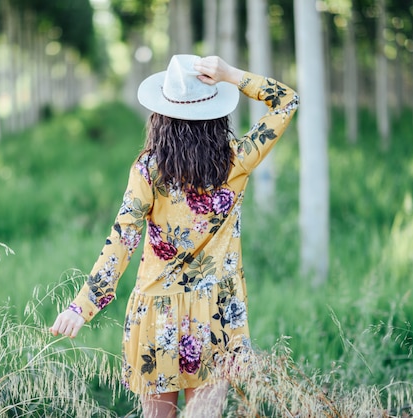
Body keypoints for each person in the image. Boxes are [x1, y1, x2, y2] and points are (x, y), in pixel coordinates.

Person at [50, 54, 298, 417]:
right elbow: (286, 99)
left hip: (156, 314)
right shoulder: (238, 160)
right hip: (217, 312)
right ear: (216, 112)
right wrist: (231, 75)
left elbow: (123, 238)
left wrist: (82, 306)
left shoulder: (149, 169)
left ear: (160, 115)